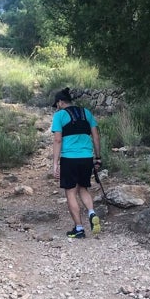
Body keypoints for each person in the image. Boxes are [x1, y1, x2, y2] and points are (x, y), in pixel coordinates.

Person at [51, 87, 102, 238]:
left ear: (60, 102)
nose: (57, 107)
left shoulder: (59, 116)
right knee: (83, 188)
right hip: (87, 157)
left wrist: (55, 163)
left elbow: (57, 139)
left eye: (57, 104)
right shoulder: (86, 113)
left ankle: (79, 228)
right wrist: (98, 157)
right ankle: (92, 212)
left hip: (69, 159)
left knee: (70, 192)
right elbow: (96, 137)